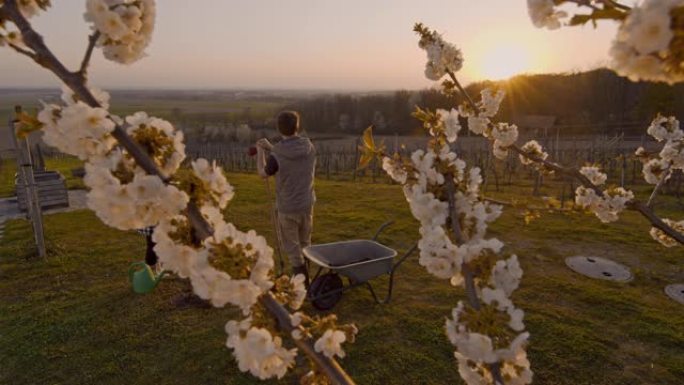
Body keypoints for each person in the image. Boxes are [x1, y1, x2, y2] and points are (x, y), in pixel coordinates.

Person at [256, 111, 316, 284]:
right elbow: (291, 156)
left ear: (278, 128)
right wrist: (272, 148)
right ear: (297, 126)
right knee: (305, 243)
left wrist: (261, 152)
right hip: (307, 204)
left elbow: (263, 173)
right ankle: (307, 278)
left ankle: (302, 284)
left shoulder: (277, 155)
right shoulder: (309, 146)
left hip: (288, 207)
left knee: (292, 247)